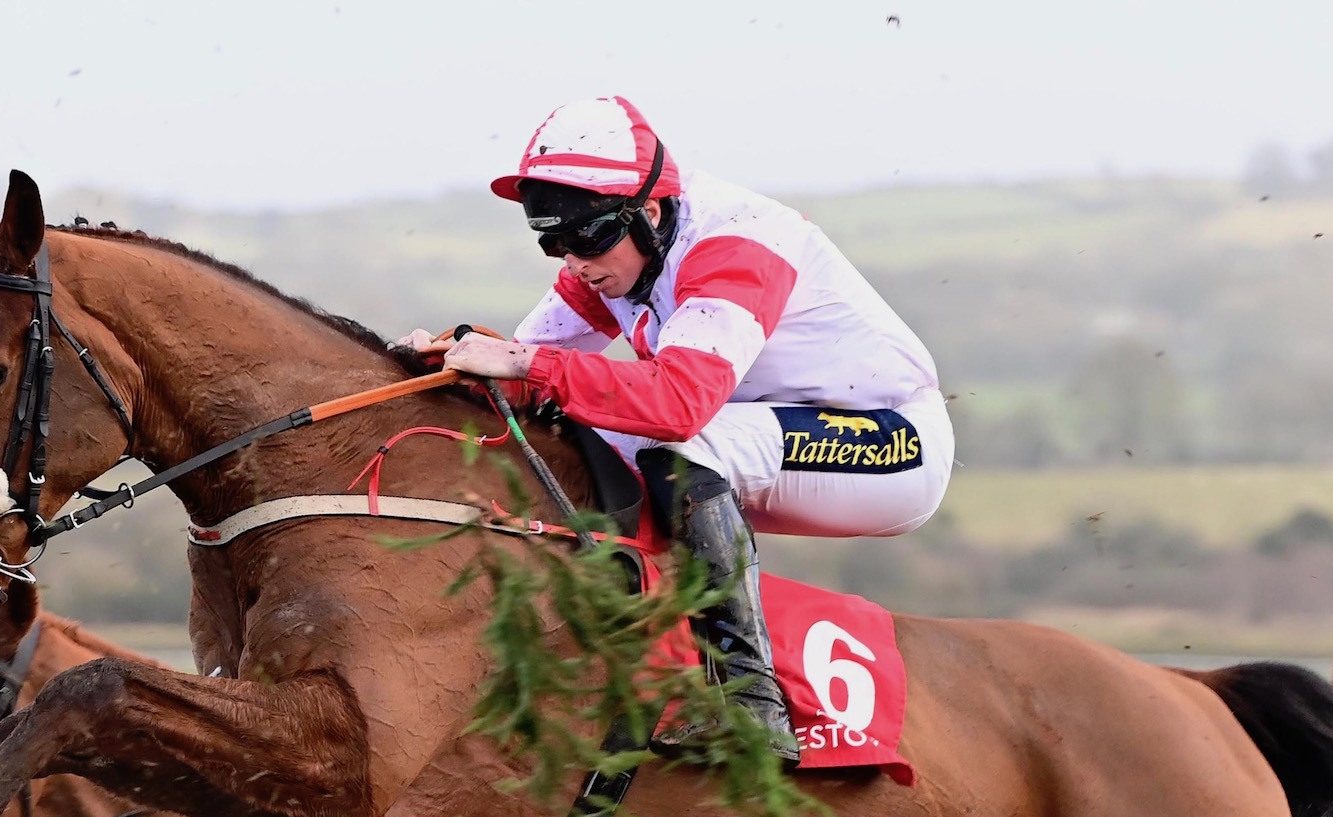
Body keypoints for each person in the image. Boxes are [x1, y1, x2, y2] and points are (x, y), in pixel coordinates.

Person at [404, 96, 953, 763]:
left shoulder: (735, 243)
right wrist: (445, 360)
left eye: (585, 239)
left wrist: (522, 362)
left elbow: (677, 405)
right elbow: (522, 375)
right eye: (553, 241)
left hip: (891, 443)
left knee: (678, 442)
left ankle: (749, 702)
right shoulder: (611, 255)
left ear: (650, 213)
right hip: (765, 430)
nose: (573, 261)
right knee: (576, 433)